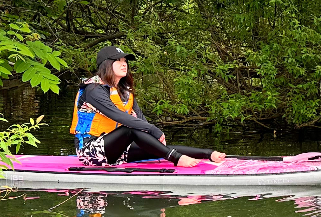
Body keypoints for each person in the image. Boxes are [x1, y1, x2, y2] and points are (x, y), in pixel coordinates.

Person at [70, 46, 226, 168]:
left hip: (117, 148)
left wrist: (153, 139)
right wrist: (154, 130)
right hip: (90, 151)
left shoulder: (124, 91)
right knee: (130, 129)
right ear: (106, 65)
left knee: (155, 147)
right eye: (118, 61)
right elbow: (119, 117)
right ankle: (176, 158)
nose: (124, 64)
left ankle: (208, 154)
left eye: (125, 61)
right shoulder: (93, 89)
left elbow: (139, 118)